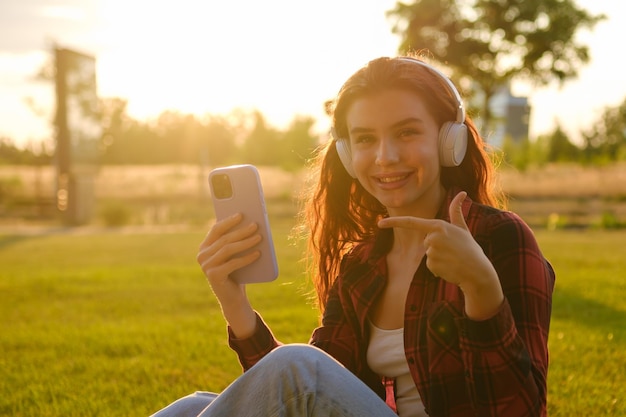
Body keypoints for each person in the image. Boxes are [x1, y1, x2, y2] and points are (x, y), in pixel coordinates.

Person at [150, 55, 556, 417]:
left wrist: (482, 289)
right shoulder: (362, 264)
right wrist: (234, 303)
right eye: (365, 139)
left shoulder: (500, 238)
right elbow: (309, 394)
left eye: (407, 132)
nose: (385, 157)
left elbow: (522, 408)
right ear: (347, 154)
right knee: (192, 408)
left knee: (295, 367)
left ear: (449, 141)